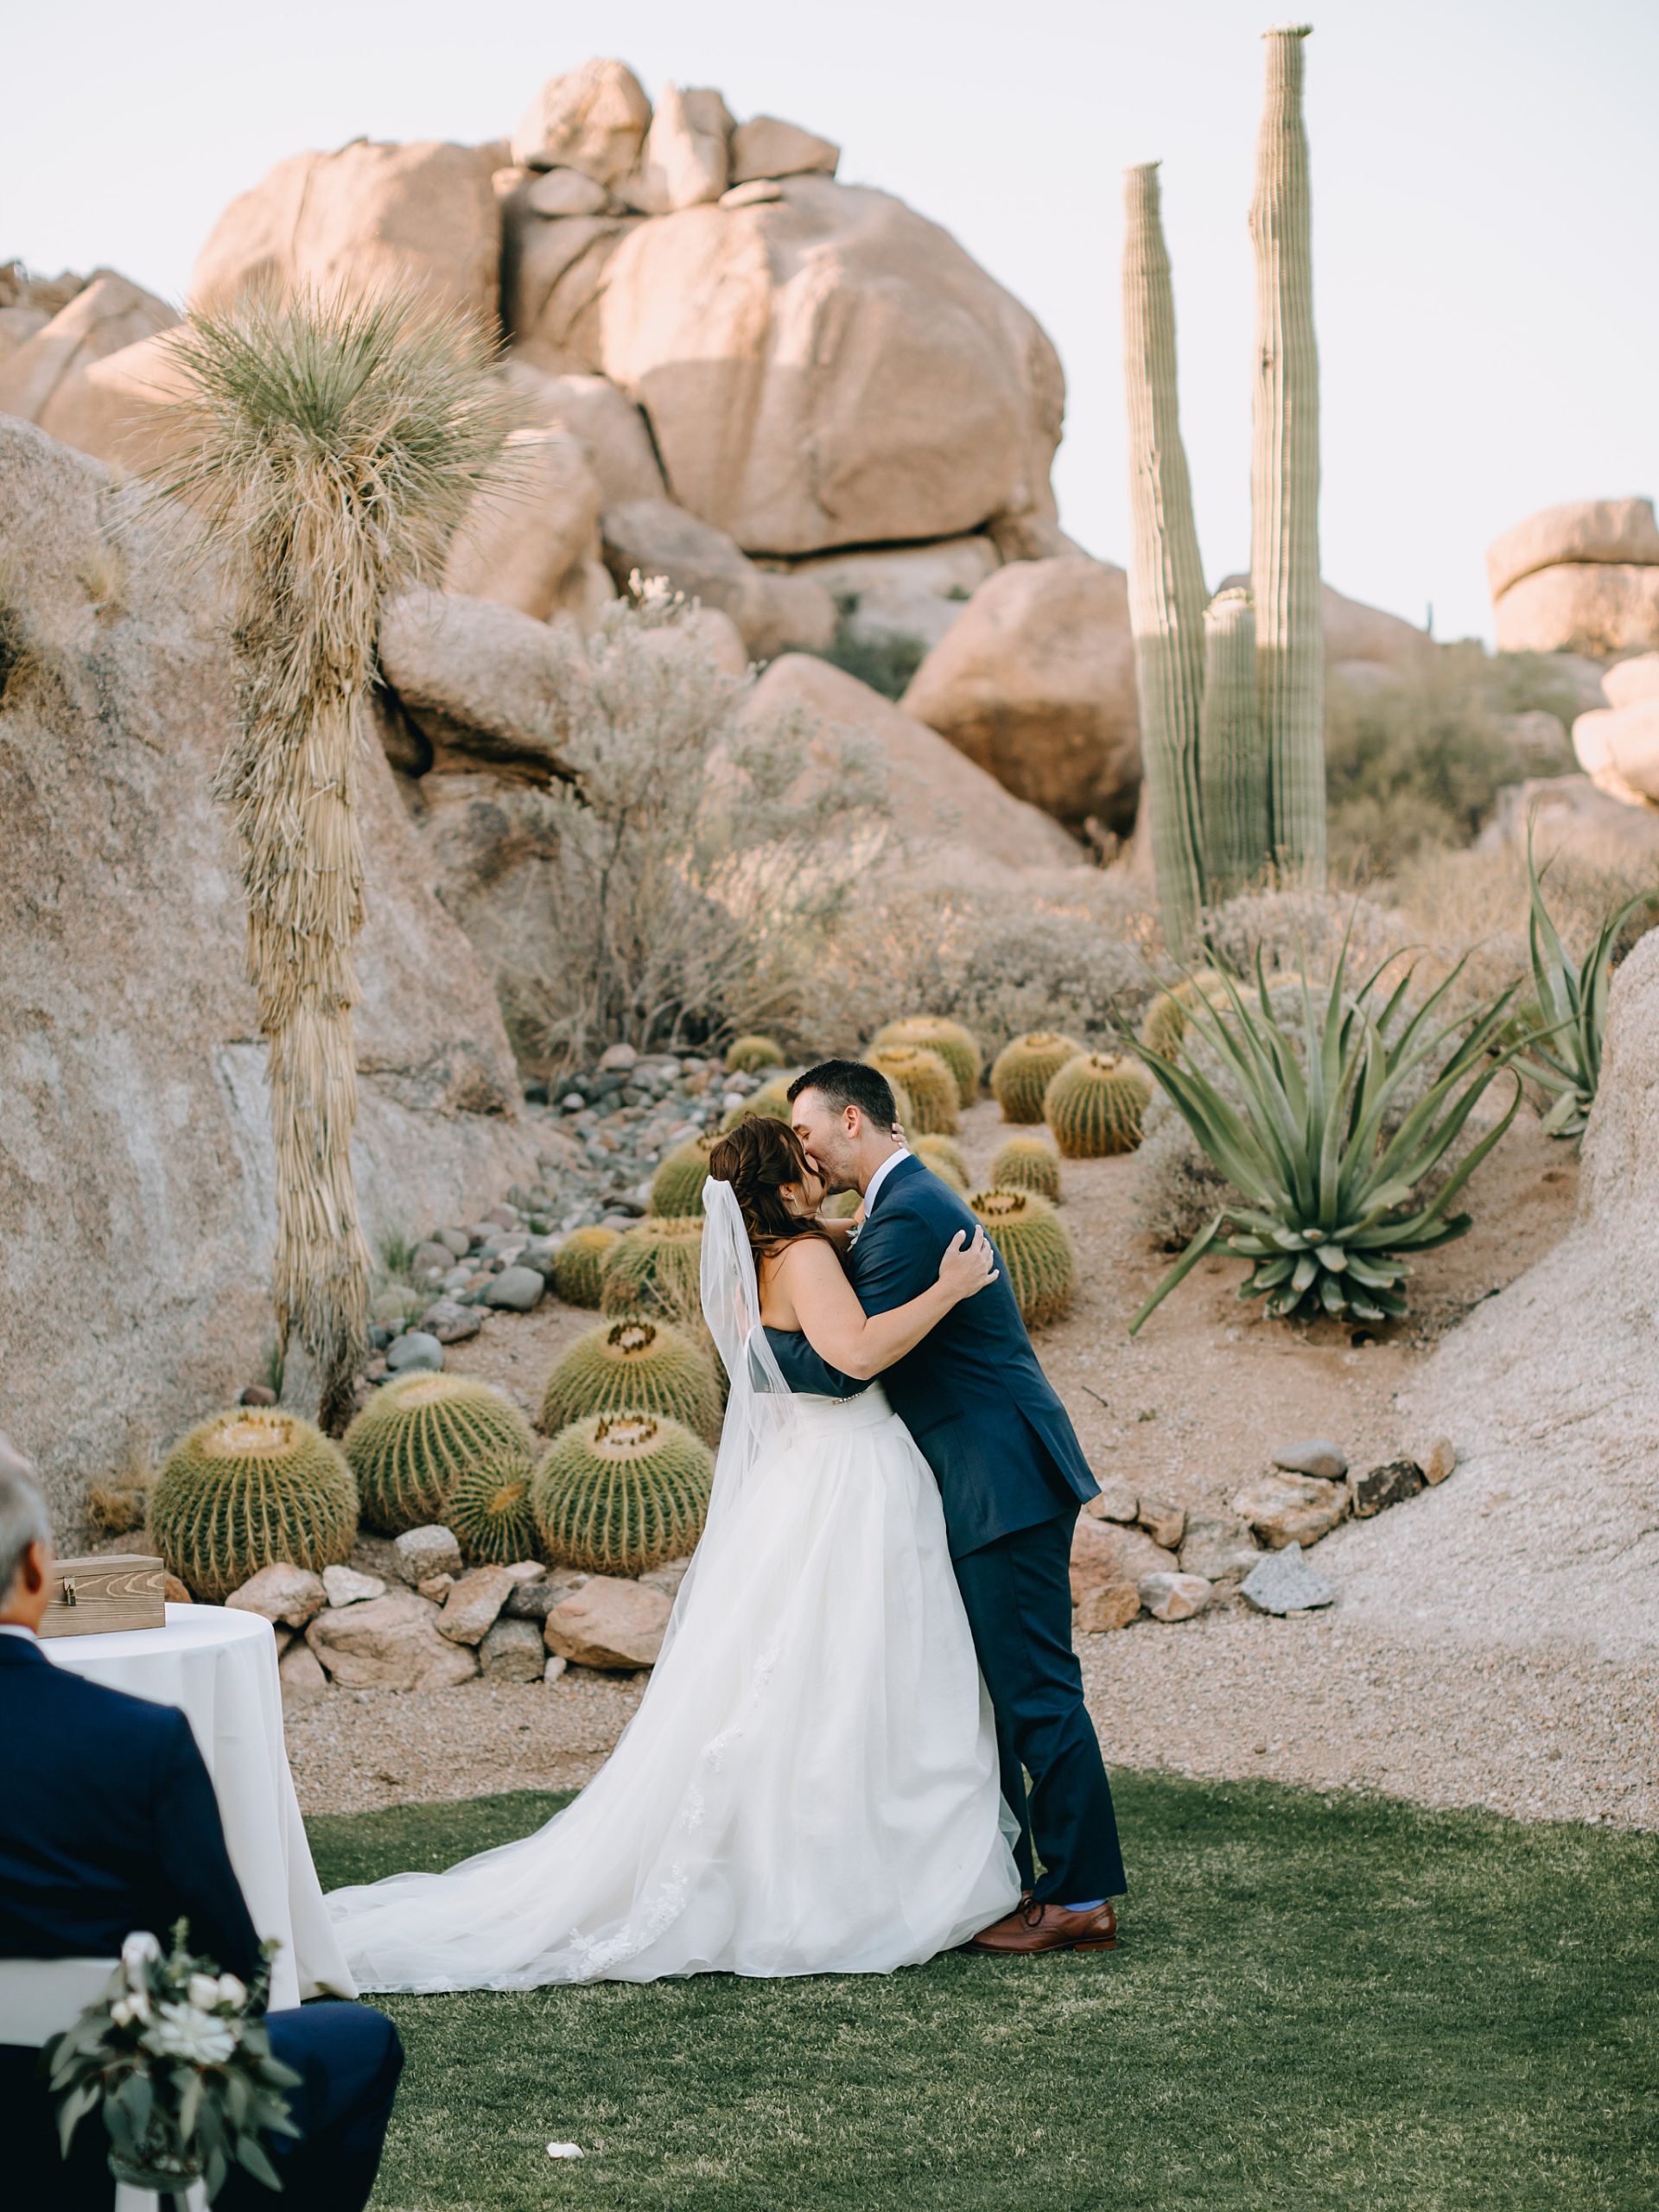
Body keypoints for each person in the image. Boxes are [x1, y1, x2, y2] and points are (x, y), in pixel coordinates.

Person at [325, 1115, 1021, 1987]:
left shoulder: (763, 1260)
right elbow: (854, 1351)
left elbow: (816, 1280)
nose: (820, 1173)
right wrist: (950, 1286)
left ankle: (799, 1847)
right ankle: (851, 1866)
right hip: (853, 1473)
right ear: (780, 1186)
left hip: (805, 1476)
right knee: (852, 1666)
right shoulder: (802, 1260)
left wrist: (843, 1231)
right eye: (806, 1165)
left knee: (805, 1672)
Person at [767, 1061, 1126, 1955]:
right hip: (989, 1477)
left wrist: (753, 1326)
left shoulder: (913, 1213)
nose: (804, 1156)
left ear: (853, 1120)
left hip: (1000, 1482)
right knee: (1007, 1696)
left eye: (808, 1136)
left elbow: (842, 1363)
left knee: (1038, 1694)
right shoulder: (901, 1206)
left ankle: (1079, 1894)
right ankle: (1014, 1881)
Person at [0, 1434, 404, 2212]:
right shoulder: (140, 1743)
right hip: (99, 2144)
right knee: (362, 2042)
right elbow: (232, 1975)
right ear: (38, 1570)